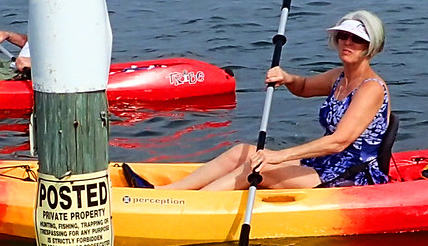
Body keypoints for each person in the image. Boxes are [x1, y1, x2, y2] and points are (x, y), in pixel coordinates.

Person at [130, 10, 389, 191]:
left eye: (357, 39)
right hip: (325, 163)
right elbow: (304, 87)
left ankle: (190, 205)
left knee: (256, 170)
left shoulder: (371, 88)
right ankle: (167, 192)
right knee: (241, 153)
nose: (348, 42)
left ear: (370, 45)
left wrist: (278, 156)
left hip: (351, 174)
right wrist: (287, 78)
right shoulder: (339, 77)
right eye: (344, 36)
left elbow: (339, 141)